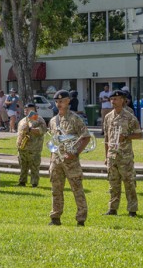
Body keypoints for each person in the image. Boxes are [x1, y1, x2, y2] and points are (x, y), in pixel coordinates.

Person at [48, 90, 91, 226]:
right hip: (56, 160)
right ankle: (55, 217)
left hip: (71, 161)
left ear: (68, 101)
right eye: (57, 102)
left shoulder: (74, 119)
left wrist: (76, 153)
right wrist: (51, 161)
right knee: (56, 190)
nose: (59, 104)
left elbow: (86, 137)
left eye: (61, 101)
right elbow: (53, 141)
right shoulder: (53, 121)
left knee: (77, 189)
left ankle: (81, 219)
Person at [102, 90, 143, 217]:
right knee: (113, 184)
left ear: (123, 100)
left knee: (129, 183)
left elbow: (139, 134)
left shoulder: (130, 117)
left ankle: (132, 209)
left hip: (125, 156)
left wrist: (126, 137)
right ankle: (112, 209)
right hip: (112, 155)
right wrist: (106, 155)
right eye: (112, 99)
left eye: (116, 99)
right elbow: (106, 138)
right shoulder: (108, 117)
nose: (113, 101)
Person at [16, 103, 47, 188]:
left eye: (28, 108)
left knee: (34, 167)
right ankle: (22, 181)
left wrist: (30, 129)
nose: (26, 110)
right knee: (23, 166)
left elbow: (43, 130)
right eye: (25, 108)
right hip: (22, 147)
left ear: (34, 109)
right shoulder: (22, 120)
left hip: (34, 148)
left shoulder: (37, 118)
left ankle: (34, 183)